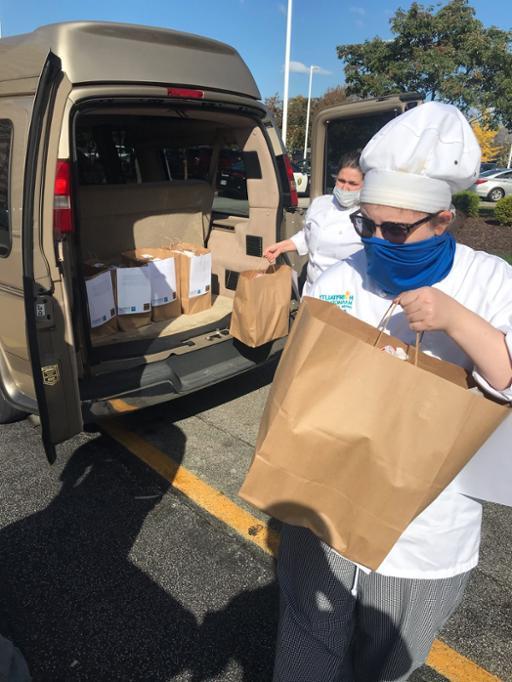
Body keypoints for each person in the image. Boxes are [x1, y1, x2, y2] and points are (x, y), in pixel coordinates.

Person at [273, 102, 512, 682]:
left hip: (426, 529)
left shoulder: (489, 279)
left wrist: (455, 319)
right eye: (368, 224)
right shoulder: (342, 276)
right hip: (324, 509)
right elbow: (305, 383)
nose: (378, 240)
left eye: (397, 228)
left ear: (443, 219)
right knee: (307, 647)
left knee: (388, 664)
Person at [263, 153, 364, 296]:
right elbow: (307, 235)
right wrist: (282, 246)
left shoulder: (369, 216)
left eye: (352, 184)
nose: (345, 188)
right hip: (312, 290)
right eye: (341, 181)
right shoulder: (320, 203)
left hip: (345, 297)